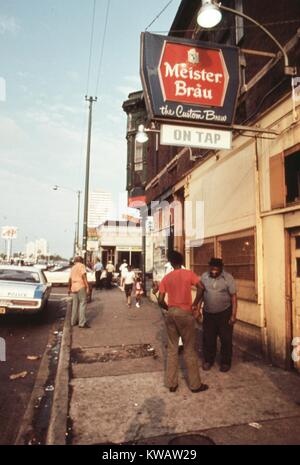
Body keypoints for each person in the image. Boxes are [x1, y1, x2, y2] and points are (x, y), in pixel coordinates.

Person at [158, 250, 208, 394]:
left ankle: (172, 384)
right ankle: (195, 385)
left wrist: (169, 309)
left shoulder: (166, 278)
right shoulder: (188, 274)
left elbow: (160, 300)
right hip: (186, 314)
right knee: (189, 349)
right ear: (181, 262)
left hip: (171, 313)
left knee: (172, 349)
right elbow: (201, 287)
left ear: (171, 263)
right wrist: (195, 303)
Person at [199, 257, 238, 373]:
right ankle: (208, 360)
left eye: (216, 269)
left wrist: (233, 314)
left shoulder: (228, 278)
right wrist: (198, 309)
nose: (214, 271)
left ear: (221, 268)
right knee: (208, 338)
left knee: (226, 339)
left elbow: (234, 297)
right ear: (209, 267)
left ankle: (225, 362)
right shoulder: (204, 277)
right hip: (208, 313)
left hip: (224, 313)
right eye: (212, 268)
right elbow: (201, 294)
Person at [68, 256, 90, 329]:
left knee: (75, 304)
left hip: (73, 286)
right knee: (82, 303)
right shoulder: (82, 266)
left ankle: (73, 322)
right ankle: (82, 323)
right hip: (80, 286)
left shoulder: (73, 267)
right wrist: (87, 287)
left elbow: (70, 279)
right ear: (81, 261)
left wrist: (69, 288)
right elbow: (84, 276)